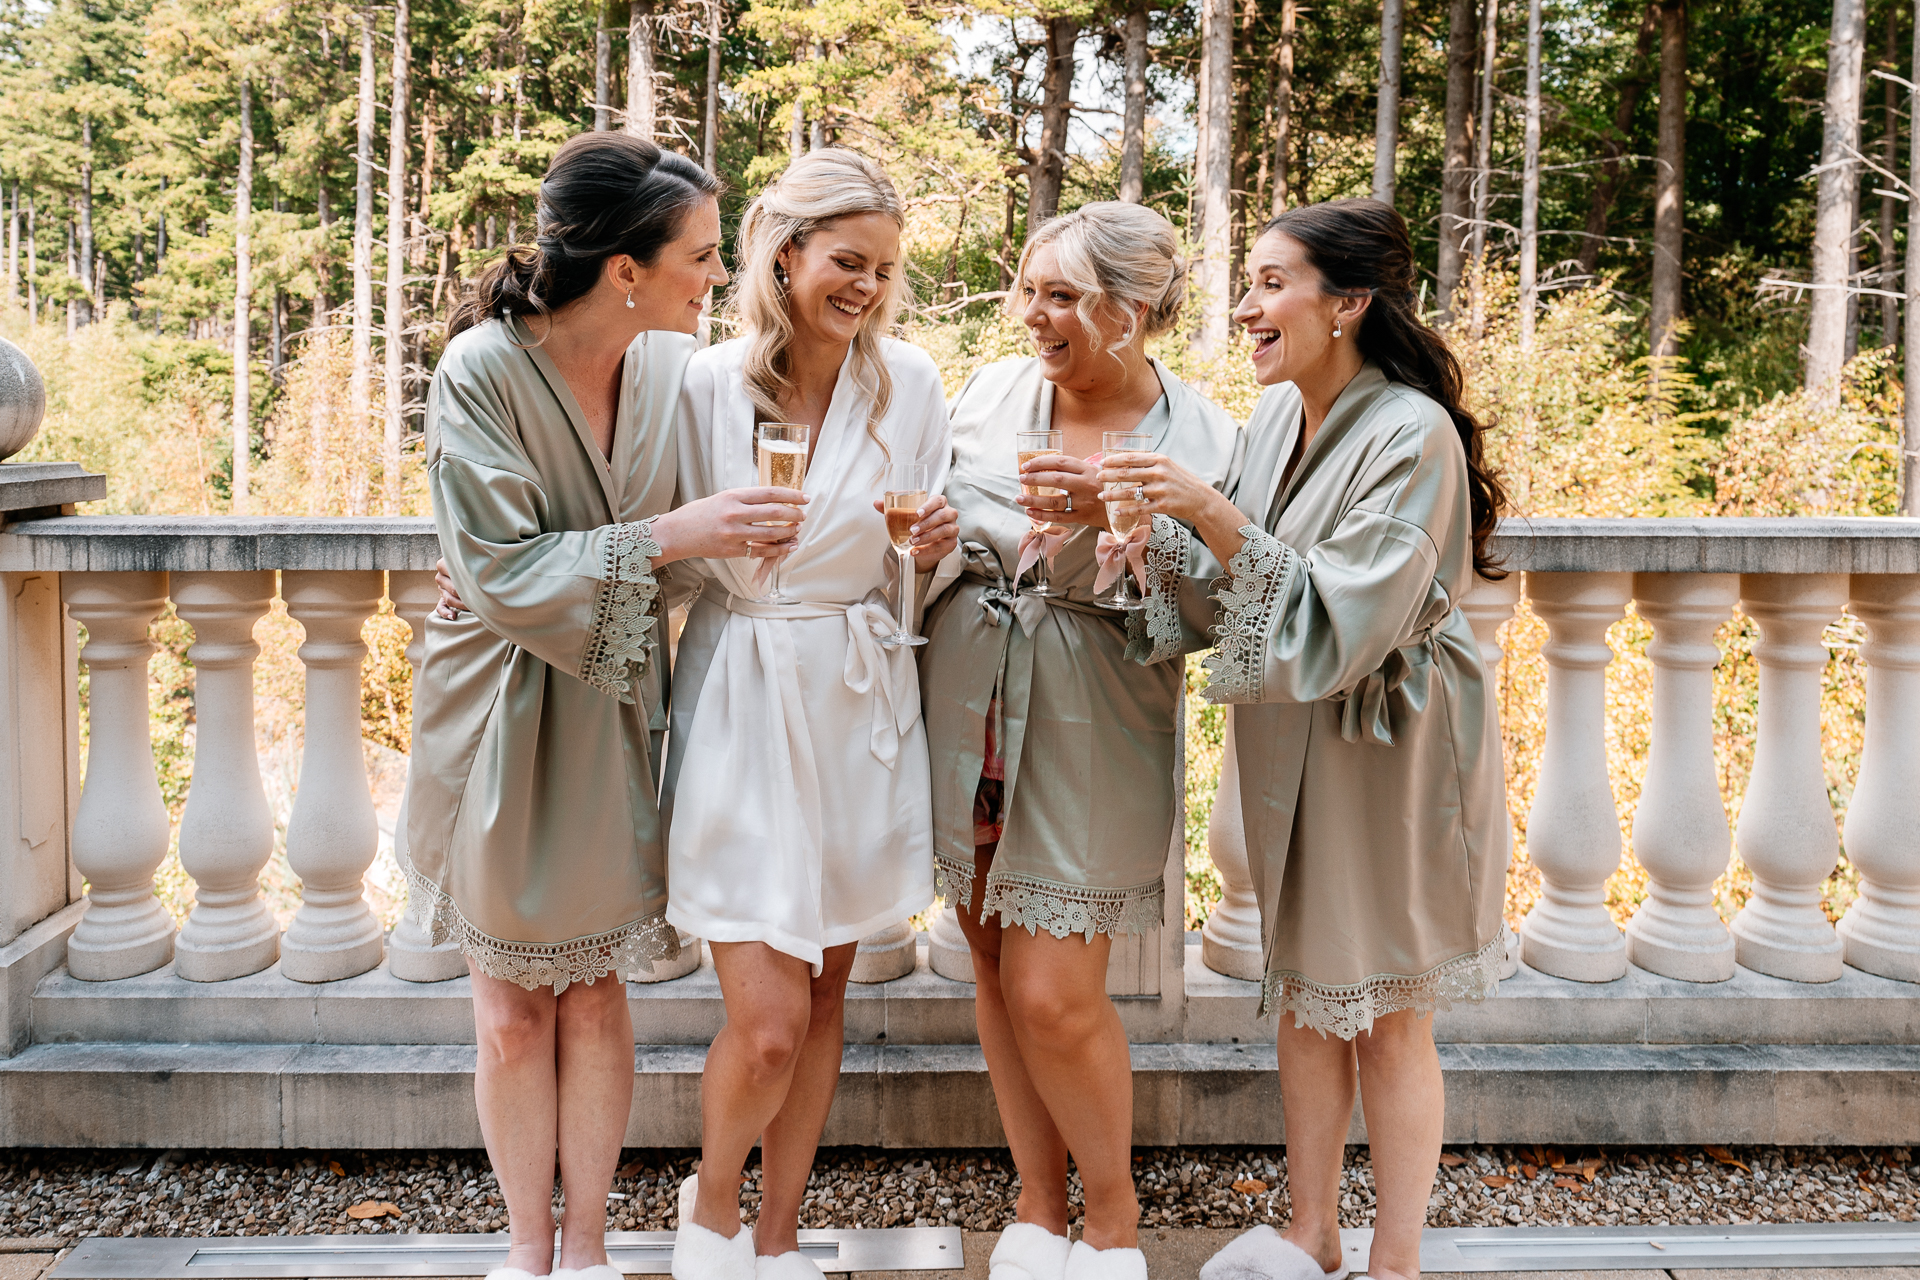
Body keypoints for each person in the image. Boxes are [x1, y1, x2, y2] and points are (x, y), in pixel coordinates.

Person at [406, 132, 809, 1280]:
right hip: (496, 714)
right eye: (699, 253)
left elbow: (675, 567)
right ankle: (526, 1251)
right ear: (624, 267)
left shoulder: (675, 378)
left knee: (595, 993)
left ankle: (588, 1252)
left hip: (613, 703)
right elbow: (496, 566)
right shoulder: (481, 369)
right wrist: (669, 536)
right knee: (511, 1010)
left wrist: (712, 541)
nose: (717, 276)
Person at [1100, 198, 1509, 1280]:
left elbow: (1350, 610)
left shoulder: (1412, 433)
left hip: (1397, 745)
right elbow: (1232, 578)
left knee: (1391, 1010)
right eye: (1250, 283)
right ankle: (1311, 1230)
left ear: (1349, 304)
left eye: (1273, 283)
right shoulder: (1278, 417)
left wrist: (1205, 508)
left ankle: (1396, 1260)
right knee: (1307, 991)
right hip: (1295, 735)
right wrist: (1144, 537)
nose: (1246, 307)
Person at [918, 203, 1239, 1280]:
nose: (1032, 316)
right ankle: (1035, 1203)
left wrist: (1110, 533)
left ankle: (1113, 1223)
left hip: (1095, 724)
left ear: (1129, 309)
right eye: (1028, 289)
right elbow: (947, 526)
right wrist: (938, 536)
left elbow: (1211, 615)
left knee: (1057, 991)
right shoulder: (991, 392)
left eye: (1061, 296)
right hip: (969, 711)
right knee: (994, 963)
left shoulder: (1203, 436)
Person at [662, 148, 959, 1280]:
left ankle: (781, 1233)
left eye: (884, 269)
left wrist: (931, 547)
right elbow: (647, 542)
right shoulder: (699, 383)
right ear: (783, 255)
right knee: (770, 1011)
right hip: (741, 691)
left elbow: (919, 556)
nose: (868, 288)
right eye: (847, 261)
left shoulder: (911, 385)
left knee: (829, 983)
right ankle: (714, 1205)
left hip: (856, 691)